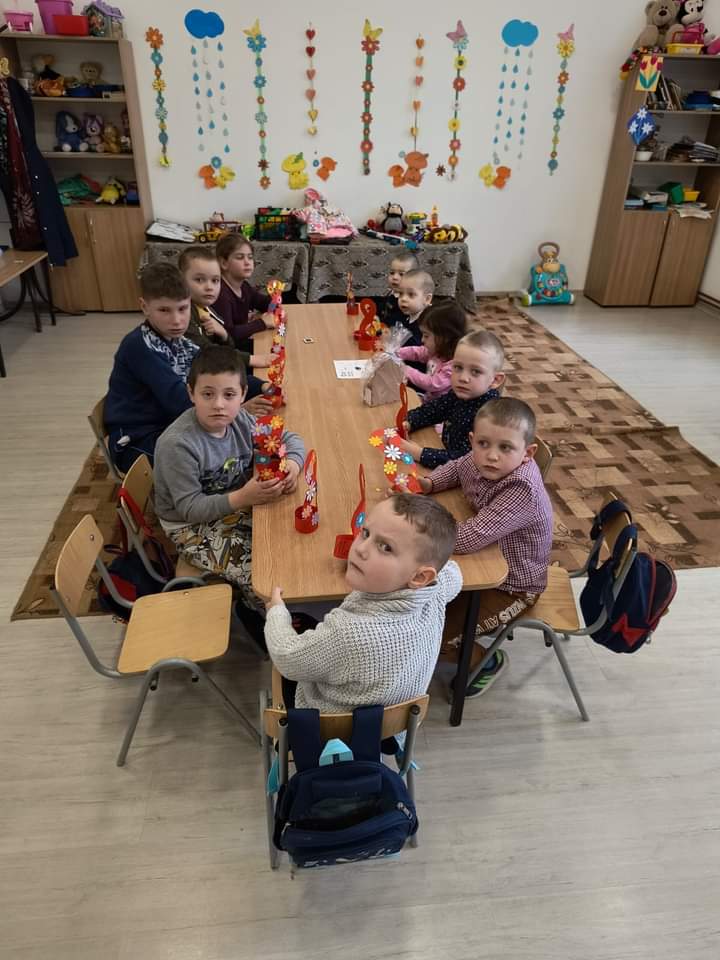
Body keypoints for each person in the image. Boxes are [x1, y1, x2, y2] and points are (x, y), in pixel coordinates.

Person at [153, 345, 306, 644]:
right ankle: (260, 616)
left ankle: (276, 607)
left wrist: (293, 465)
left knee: (286, 539)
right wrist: (244, 497)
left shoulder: (240, 419)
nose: (219, 405)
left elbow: (289, 438)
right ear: (191, 393)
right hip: (189, 526)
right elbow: (190, 509)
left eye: (229, 395)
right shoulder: (178, 445)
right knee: (260, 574)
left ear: (243, 394)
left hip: (233, 501)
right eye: (207, 394)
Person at [264, 494, 462, 713]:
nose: (360, 549)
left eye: (385, 547)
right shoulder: (435, 591)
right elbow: (455, 573)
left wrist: (276, 612)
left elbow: (286, 657)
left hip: (327, 728)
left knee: (294, 622)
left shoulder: (348, 633)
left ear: (420, 577)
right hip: (400, 726)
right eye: (365, 533)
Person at [419, 398, 553, 698]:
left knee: (434, 637)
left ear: (527, 453)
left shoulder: (522, 488)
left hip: (513, 587)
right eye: (483, 444)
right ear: (473, 440)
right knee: (420, 607)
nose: (491, 455)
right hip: (487, 563)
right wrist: (428, 484)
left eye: (506, 448)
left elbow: (468, 539)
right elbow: (457, 469)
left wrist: (418, 530)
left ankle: (487, 662)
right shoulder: (481, 457)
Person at [178, 245, 273, 407]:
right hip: (203, 391)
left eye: (215, 280)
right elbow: (209, 354)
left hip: (219, 378)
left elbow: (228, 347)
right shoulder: (184, 315)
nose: (209, 287)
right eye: (199, 280)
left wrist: (223, 334)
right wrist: (251, 360)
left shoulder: (206, 307)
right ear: (181, 281)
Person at [398, 329, 506, 470]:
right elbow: (433, 410)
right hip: (444, 456)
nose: (463, 378)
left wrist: (421, 453)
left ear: (495, 380)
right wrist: (410, 421)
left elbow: (466, 460)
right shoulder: (460, 393)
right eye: (458, 367)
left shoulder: (490, 417)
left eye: (475, 371)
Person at [214, 234, 276, 353]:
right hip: (230, 352)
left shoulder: (244, 286)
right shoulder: (220, 294)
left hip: (242, 344)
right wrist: (262, 323)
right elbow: (229, 334)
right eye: (240, 257)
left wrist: (276, 298)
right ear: (223, 263)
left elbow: (263, 303)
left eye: (250, 257)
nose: (247, 262)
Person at [397, 301, 467, 404]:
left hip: (439, 409)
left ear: (445, 337)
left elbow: (433, 384)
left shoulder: (454, 365)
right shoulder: (437, 350)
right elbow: (419, 352)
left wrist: (407, 370)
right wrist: (397, 352)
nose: (422, 340)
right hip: (428, 399)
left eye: (426, 335)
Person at [373, 249, 420, 329]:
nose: (395, 277)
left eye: (401, 274)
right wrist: (376, 315)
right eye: (392, 273)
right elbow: (385, 306)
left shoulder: (410, 303)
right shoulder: (393, 292)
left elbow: (407, 329)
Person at [393, 268, 434, 348]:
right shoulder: (405, 316)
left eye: (411, 294)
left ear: (427, 299)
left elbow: (419, 347)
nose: (403, 299)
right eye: (401, 293)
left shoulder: (427, 323)